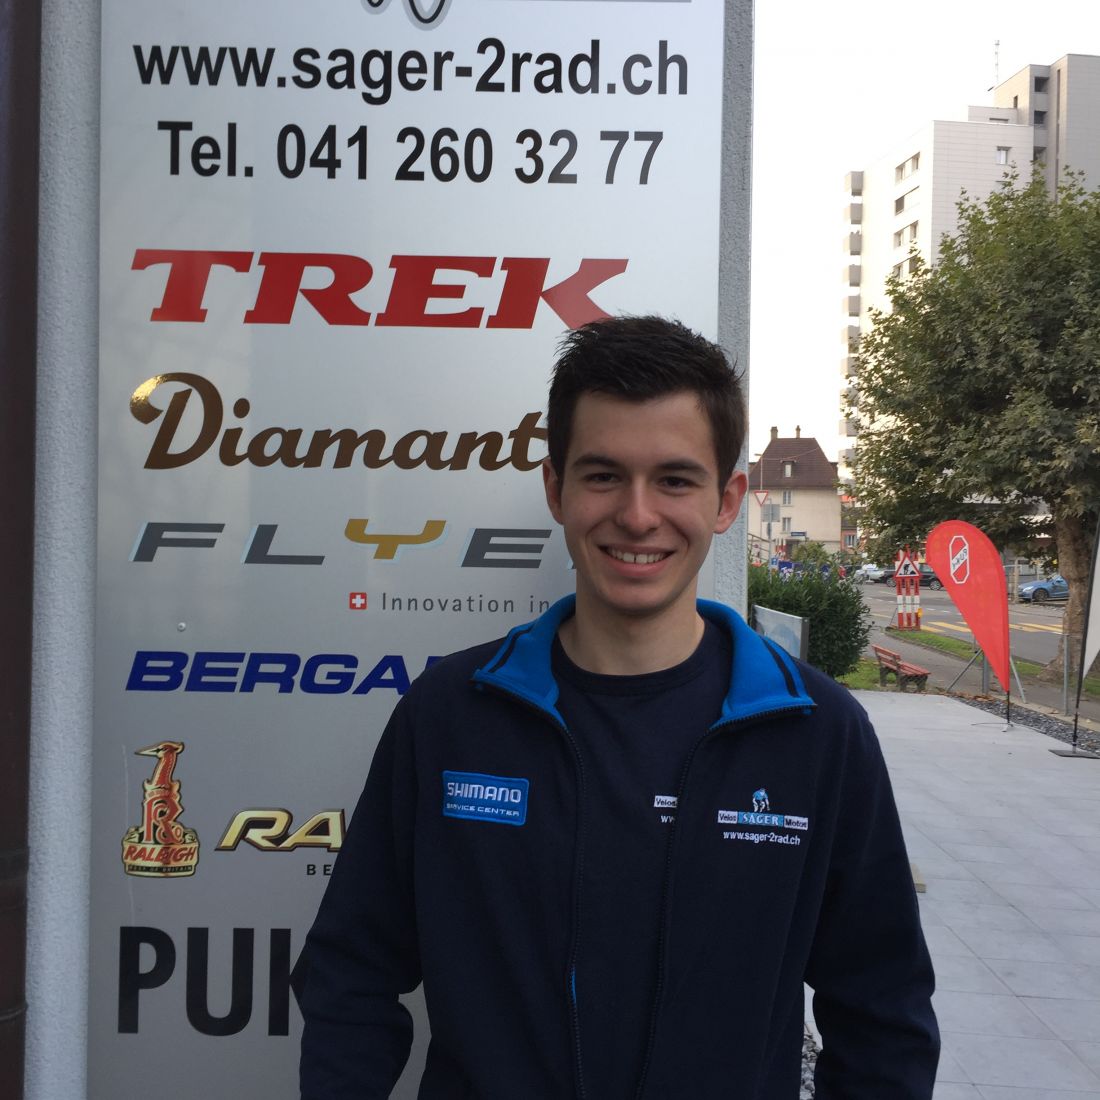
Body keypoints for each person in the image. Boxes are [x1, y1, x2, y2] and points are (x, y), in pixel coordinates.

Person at [293, 316, 939, 1099]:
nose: (637, 516)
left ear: (727, 499)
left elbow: (883, 1014)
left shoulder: (817, 734)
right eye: (603, 476)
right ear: (556, 490)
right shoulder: (449, 717)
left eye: (675, 480)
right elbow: (350, 972)